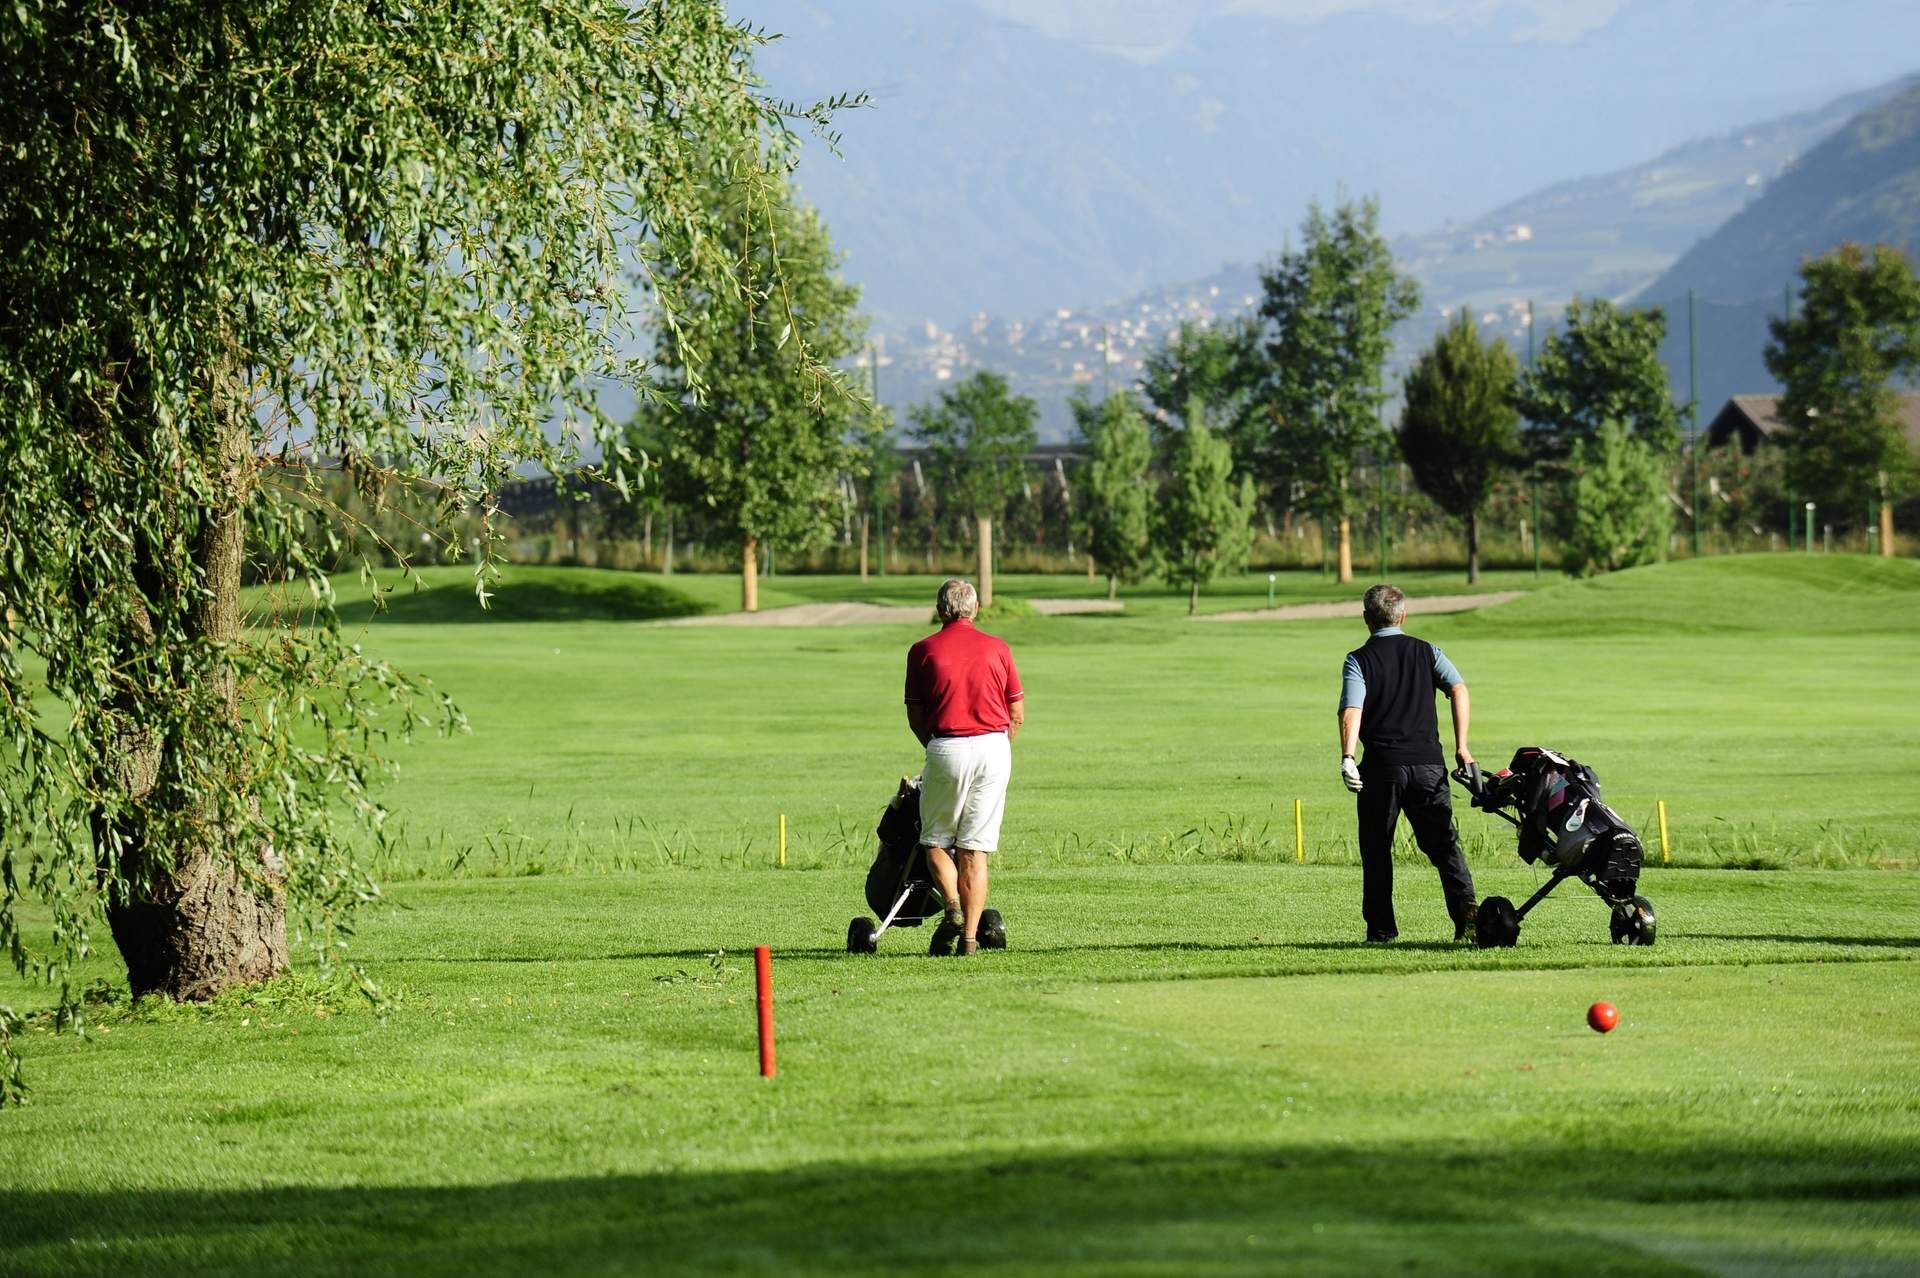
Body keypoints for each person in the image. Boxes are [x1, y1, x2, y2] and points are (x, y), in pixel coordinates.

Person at [1337, 583, 1477, 944]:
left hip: (1382, 768)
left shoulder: (1358, 659)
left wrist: (1348, 757)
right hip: (1429, 765)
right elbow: (1458, 688)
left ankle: (1382, 931)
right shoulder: (1427, 651)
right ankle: (1468, 921)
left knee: (1377, 848)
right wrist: (1463, 748)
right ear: (1403, 615)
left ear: (1367, 619)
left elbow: (1353, 708)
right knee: (1444, 846)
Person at [904, 578, 1024, 956]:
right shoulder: (998, 648)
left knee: (936, 841)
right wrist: (997, 749)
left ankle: (952, 906)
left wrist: (935, 747)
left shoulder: (922, 650)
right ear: (975, 609)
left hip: (947, 747)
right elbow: (1016, 714)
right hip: (994, 748)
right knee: (976, 849)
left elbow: (915, 713)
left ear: (940, 610)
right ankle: (969, 941)